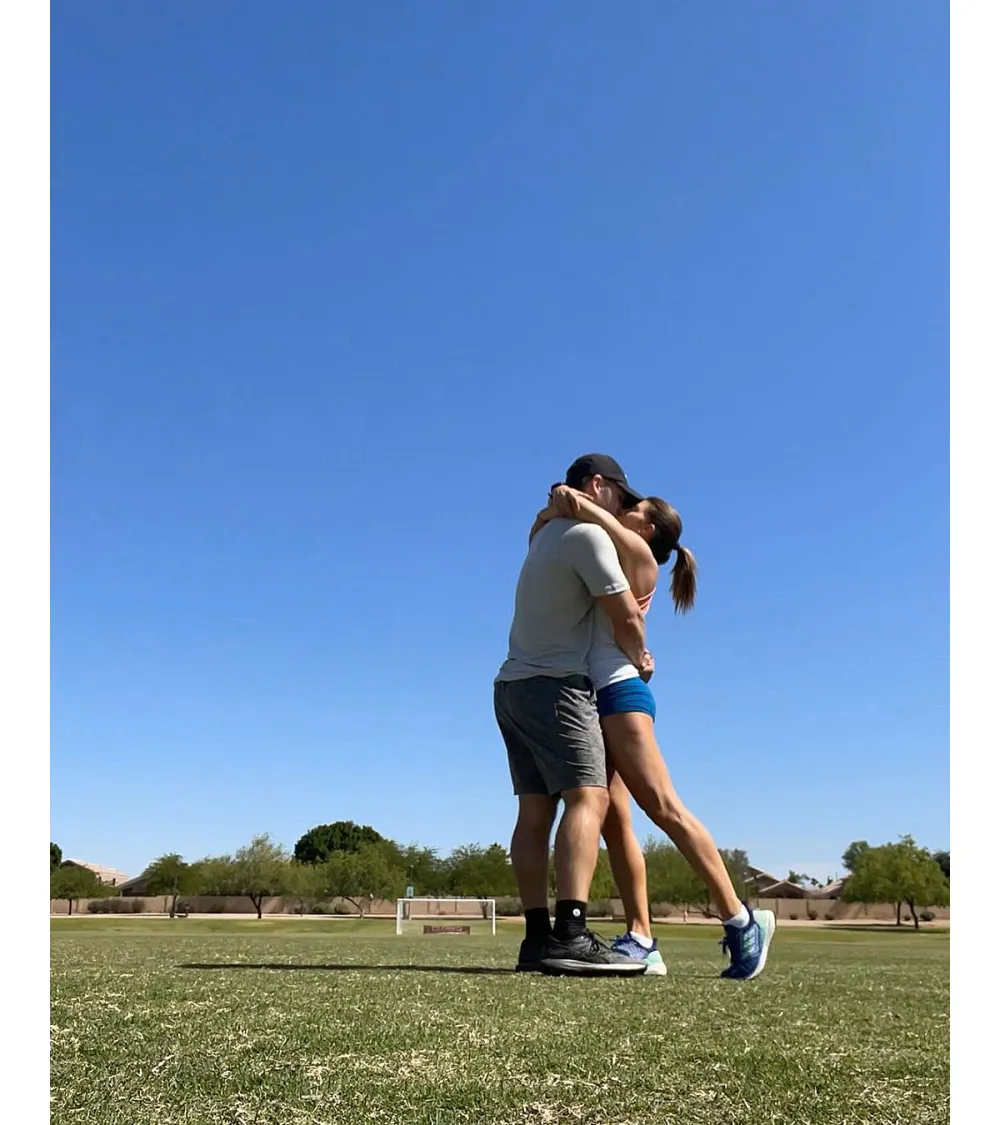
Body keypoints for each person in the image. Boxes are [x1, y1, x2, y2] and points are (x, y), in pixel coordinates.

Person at [532, 471, 776, 981]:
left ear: (647, 530)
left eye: (634, 511)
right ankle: (641, 938)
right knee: (614, 818)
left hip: (620, 693)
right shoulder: (611, 552)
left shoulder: (640, 557)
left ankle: (740, 918)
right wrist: (555, 509)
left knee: (664, 807)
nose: (623, 511)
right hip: (595, 696)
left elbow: (598, 526)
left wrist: (573, 499)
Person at [494, 454, 650, 975]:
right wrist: (641, 659)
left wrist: (550, 509)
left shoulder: (543, 536)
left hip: (511, 687)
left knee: (534, 813)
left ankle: (537, 938)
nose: (622, 510)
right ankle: (572, 933)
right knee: (590, 797)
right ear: (598, 486)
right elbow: (626, 615)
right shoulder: (589, 538)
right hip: (557, 686)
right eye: (620, 498)